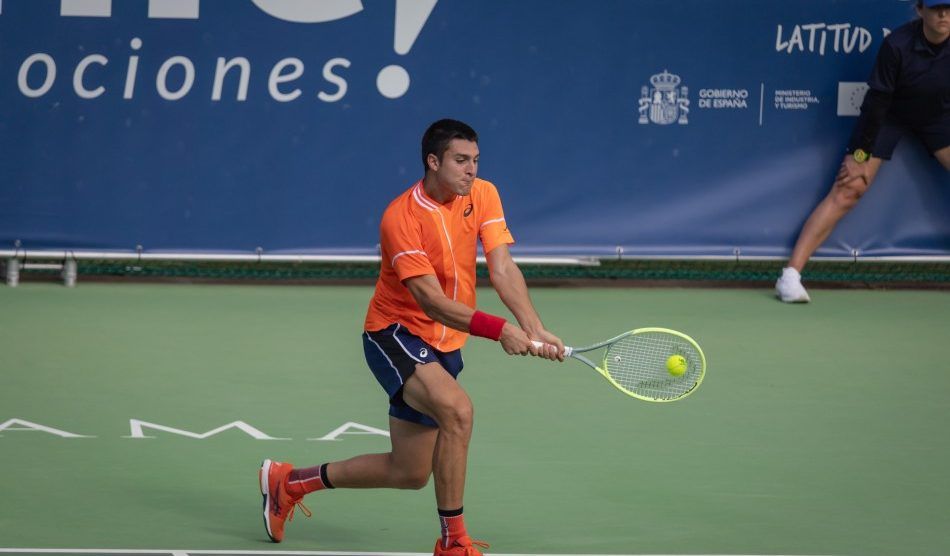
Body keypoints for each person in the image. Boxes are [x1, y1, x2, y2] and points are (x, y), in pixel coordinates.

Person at [258, 119, 564, 554]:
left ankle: (289, 483)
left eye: (475, 160)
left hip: (445, 345)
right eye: (461, 161)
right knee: (458, 412)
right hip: (394, 333)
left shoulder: (483, 194)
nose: (471, 170)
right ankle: (453, 542)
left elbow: (502, 267)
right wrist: (502, 331)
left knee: (409, 472)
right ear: (433, 161)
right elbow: (432, 301)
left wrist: (533, 326)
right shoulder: (400, 217)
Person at [776, 0, 950, 303]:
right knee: (849, 188)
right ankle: (790, 277)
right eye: (936, 8)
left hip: (939, 116)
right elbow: (876, 105)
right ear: (920, 10)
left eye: (949, 8)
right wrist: (858, 157)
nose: (944, 14)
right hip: (889, 117)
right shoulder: (897, 45)